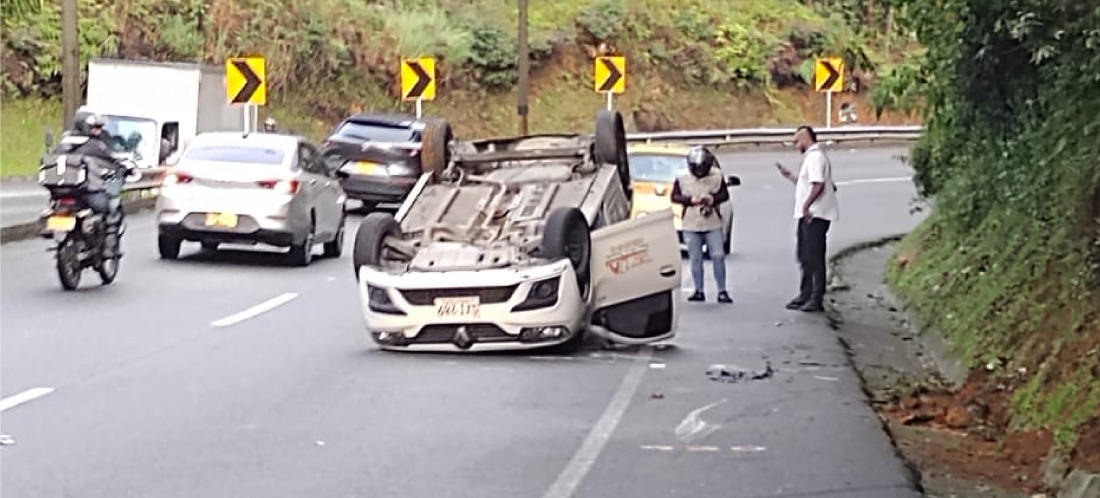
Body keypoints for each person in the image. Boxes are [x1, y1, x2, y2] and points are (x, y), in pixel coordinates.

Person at [775, 125, 839, 312]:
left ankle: (815, 297)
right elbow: (809, 183)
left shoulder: (815, 157)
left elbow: (818, 185)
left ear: (805, 139)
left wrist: (806, 206)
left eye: (797, 141)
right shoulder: (812, 158)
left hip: (815, 215)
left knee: (814, 257)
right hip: (809, 215)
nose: (796, 145)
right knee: (804, 256)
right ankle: (805, 293)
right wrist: (792, 178)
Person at [671, 146, 733, 304]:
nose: (699, 172)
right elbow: (675, 196)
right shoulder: (682, 177)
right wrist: (690, 201)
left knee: (718, 256)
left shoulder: (717, 176)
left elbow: (724, 195)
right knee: (695, 258)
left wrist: (713, 199)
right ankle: (698, 290)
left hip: (712, 221)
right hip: (691, 222)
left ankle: (722, 290)